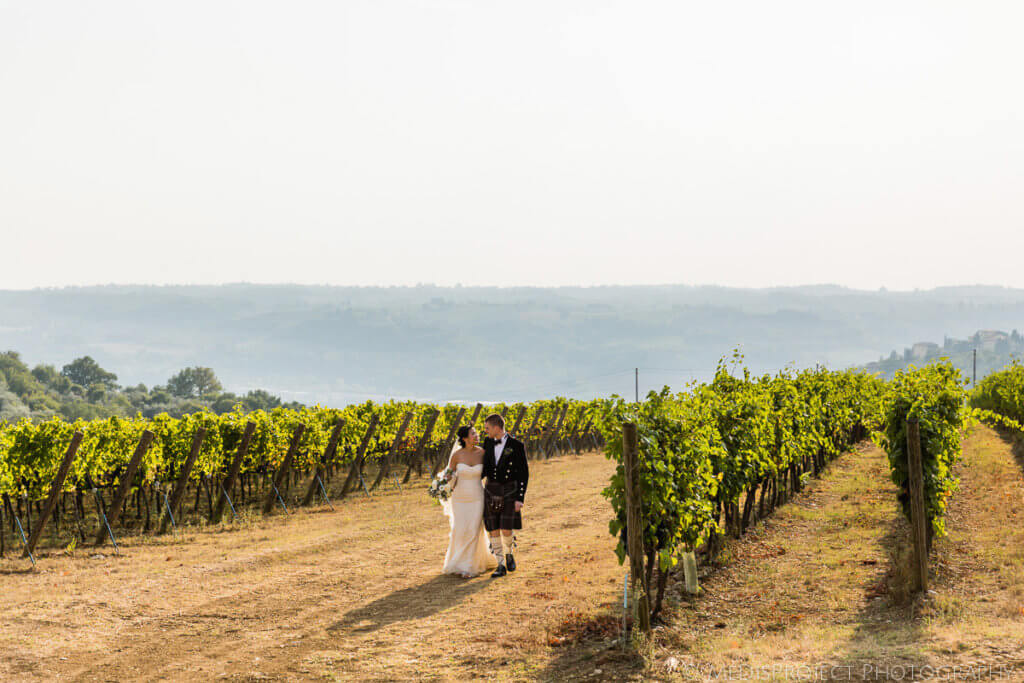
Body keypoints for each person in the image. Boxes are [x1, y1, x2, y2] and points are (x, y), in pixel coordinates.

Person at [440, 426, 494, 578]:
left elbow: (491, 472)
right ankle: (458, 562)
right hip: (460, 497)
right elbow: (449, 473)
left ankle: (469, 566)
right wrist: (445, 481)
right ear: (464, 438)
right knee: (461, 529)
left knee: (474, 529)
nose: (476, 436)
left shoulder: (482, 453)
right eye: (473, 434)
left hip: (477, 496)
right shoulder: (457, 455)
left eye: (476, 433)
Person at [481, 413, 529, 578]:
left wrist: (520, 498)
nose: (486, 431)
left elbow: (524, 473)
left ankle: (509, 553)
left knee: (506, 529)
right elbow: (484, 469)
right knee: (493, 528)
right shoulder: (487, 443)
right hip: (490, 490)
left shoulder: (516, 445)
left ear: (496, 427)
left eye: (487, 428)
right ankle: (500, 564)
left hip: (509, 490)